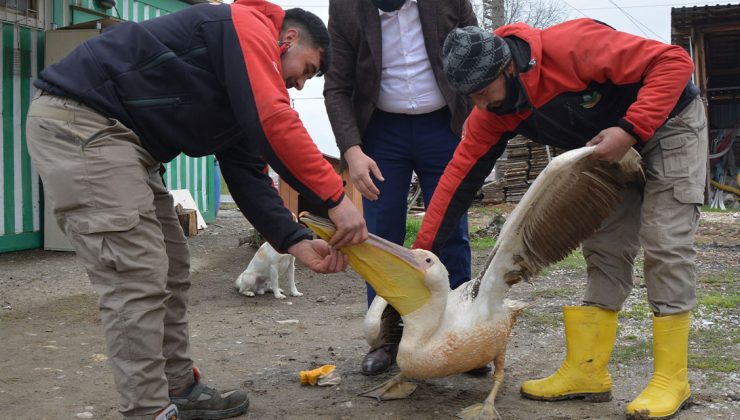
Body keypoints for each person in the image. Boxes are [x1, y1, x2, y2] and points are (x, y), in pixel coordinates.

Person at [26, 1, 367, 419]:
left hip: (127, 144)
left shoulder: (244, 91)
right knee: (136, 273)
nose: (300, 86)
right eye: (308, 69)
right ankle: (150, 410)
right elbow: (275, 121)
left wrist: (295, 241)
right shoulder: (242, 25)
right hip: (82, 121)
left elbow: (248, 176)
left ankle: (180, 390)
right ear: (288, 39)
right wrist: (336, 199)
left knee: (171, 264)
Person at [413, 21, 706, 420]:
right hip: (604, 148)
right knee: (603, 246)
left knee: (664, 240)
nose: (479, 105)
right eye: (470, 98)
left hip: (670, 123)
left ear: (508, 69)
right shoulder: (493, 112)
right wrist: (421, 251)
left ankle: (673, 379)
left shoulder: (571, 46)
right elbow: (456, 181)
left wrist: (630, 128)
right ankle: (588, 374)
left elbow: (673, 62)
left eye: (483, 93)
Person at [323, 0, 478, 376]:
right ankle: (388, 339)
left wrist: (477, 125)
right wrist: (352, 150)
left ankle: (461, 336)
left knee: (451, 231)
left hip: (444, 126)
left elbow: (476, 53)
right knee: (380, 237)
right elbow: (337, 86)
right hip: (381, 132)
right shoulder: (345, 7)